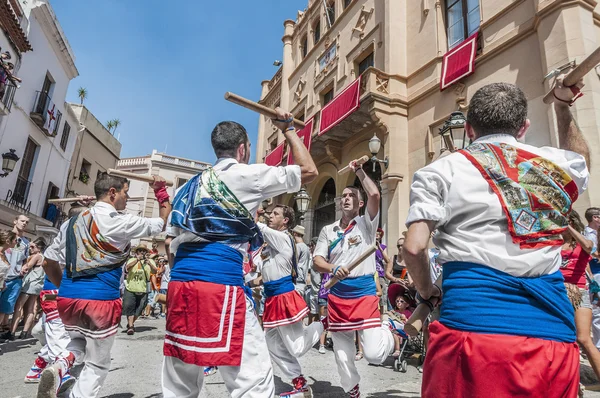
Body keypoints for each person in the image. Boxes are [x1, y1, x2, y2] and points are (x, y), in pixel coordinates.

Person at [404, 81, 590, 397]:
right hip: (552, 338)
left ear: (471, 128)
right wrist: (562, 105)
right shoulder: (552, 166)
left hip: (472, 332)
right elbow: (580, 159)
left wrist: (427, 291)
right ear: (524, 127)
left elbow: (414, 246)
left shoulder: (441, 170)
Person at [162, 108, 317, 398]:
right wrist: (288, 129)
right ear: (243, 148)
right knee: (252, 381)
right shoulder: (248, 175)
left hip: (180, 285)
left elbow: (170, 244)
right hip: (220, 285)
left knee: (180, 382)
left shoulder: (187, 188)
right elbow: (309, 171)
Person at [37, 172, 171, 398]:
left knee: (77, 340)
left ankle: (60, 365)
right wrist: (160, 191)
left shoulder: (71, 223)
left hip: (68, 300)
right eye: (125, 193)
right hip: (101, 301)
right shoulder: (122, 221)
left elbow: (48, 262)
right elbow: (161, 223)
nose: (127, 198)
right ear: (112, 193)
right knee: (97, 365)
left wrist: (65, 288)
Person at [313, 164, 396, 398]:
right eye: (344, 196)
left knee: (374, 355)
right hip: (338, 296)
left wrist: (359, 170)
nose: (347, 198)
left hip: (364, 293)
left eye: (352, 196)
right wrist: (332, 268)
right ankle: (353, 390)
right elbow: (317, 261)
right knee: (341, 355)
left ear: (360, 204)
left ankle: (389, 328)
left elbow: (375, 194)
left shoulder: (366, 224)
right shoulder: (328, 231)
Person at [258, 205, 323, 397]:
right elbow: (267, 275)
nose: (271, 216)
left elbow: (259, 228)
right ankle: (300, 383)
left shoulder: (283, 237)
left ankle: (321, 324)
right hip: (272, 297)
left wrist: (255, 210)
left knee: (296, 347)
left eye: (276, 214)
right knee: (272, 343)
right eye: (271, 213)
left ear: (285, 221)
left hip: (283, 297)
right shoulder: (272, 244)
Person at [25, 200, 92, 384]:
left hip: (64, 293)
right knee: (59, 336)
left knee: (60, 334)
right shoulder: (69, 233)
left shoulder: (75, 234)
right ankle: (61, 375)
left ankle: (37, 367)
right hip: (54, 292)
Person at [560, 210, 599, 380]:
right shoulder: (553, 243)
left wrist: (567, 225)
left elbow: (589, 247)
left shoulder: (583, 243)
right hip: (558, 291)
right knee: (564, 339)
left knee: (584, 338)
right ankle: (572, 383)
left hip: (579, 291)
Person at [4, 238, 47, 341]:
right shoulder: (43, 257)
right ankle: (25, 332)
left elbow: (26, 267)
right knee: (31, 308)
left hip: (30, 284)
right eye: (30, 247)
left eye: (33, 247)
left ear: (39, 248)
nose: (30, 249)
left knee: (19, 306)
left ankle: (12, 332)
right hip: (38, 285)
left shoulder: (36, 256)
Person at [0, 215, 30, 331]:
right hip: (3, 277)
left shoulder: (25, 243)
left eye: (26, 222)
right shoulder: (5, 236)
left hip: (15, 278)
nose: (24, 224)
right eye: (22, 221)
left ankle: (3, 328)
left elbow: (25, 261)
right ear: (15, 221)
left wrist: (25, 267)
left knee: (6, 308)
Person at [123, 245, 156, 334]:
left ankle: (131, 323)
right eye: (140, 250)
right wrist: (137, 260)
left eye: (144, 251)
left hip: (143, 289)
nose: (142, 252)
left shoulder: (151, 261)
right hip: (130, 288)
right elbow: (127, 268)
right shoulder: (131, 260)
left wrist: (149, 263)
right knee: (129, 306)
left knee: (140, 308)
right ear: (137, 252)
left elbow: (155, 271)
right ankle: (130, 326)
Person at [0, 229, 17, 354]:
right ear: (7, 240)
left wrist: (4, 282)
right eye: (14, 240)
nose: (16, 242)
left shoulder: (4, 253)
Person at [306, 237, 321, 326]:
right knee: (312, 313)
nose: (310, 247)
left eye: (312, 245)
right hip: (312, 289)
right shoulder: (313, 257)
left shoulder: (320, 257)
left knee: (318, 316)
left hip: (319, 291)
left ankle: (317, 337)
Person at [292, 225, 310, 297]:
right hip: (302, 280)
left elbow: (294, 262)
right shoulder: (306, 247)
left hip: (297, 280)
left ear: (295, 233)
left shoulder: (298, 246)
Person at [375, 228, 390, 311]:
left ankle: (382, 318)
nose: (377, 237)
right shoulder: (369, 247)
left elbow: (387, 260)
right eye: (375, 235)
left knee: (381, 299)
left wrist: (379, 248)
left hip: (380, 275)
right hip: (370, 274)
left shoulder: (383, 248)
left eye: (379, 235)